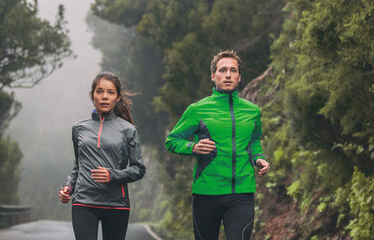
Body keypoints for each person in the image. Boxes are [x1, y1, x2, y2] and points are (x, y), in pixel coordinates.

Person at [165, 50, 271, 240]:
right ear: (213, 76)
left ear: (239, 76)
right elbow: (172, 141)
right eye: (223, 70)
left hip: (242, 192)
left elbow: (254, 141)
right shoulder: (197, 109)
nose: (228, 74)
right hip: (207, 192)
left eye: (233, 70)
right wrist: (193, 147)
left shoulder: (252, 111)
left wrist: (259, 158)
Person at [58, 72, 146, 240]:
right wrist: (68, 188)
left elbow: (139, 169)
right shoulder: (79, 128)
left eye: (110, 92)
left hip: (116, 204)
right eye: (99, 91)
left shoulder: (128, 130)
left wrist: (112, 175)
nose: (104, 97)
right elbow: (78, 166)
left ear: (118, 97)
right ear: (93, 95)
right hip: (83, 201)